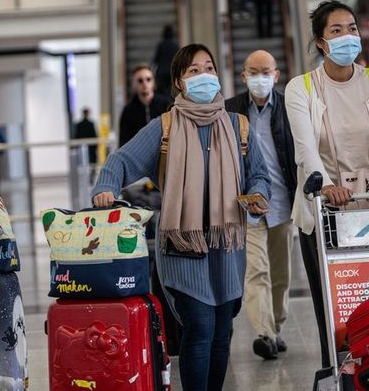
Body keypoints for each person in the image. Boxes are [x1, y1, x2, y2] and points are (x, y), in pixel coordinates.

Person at [93, 43, 271, 391]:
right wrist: (106, 186)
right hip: (181, 244)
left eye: (209, 67)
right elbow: (120, 161)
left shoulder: (238, 126)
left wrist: (259, 196)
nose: (204, 75)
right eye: (194, 71)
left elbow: (259, 175)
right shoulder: (165, 128)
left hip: (226, 244)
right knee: (200, 326)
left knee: (223, 329)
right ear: (179, 82)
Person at [284, 0, 369, 369]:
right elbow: (304, 149)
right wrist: (325, 186)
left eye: (352, 28)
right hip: (326, 212)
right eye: (336, 31)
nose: (348, 37)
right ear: (321, 42)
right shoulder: (301, 88)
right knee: (335, 309)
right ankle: (340, 371)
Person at [225, 49, 296, 360]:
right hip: (248, 206)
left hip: (282, 202)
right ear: (243, 76)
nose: (260, 78)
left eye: (265, 72)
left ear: (276, 75)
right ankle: (264, 333)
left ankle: (276, 326)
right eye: (253, 72)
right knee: (257, 271)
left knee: (281, 273)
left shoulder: (290, 108)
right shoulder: (231, 112)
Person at [119, 63, 172, 147]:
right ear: (134, 84)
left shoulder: (166, 105)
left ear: (153, 82)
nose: (145, 83)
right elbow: (124, 142)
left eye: (148, 79)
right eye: (140, 80)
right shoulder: (128, 111)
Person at [152, 24, 180, 97]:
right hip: (172, 72)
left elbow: (155, 60)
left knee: (162, 92)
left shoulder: (161, 45)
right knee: (171, 91)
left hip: (161, 73)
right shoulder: (176, 45)